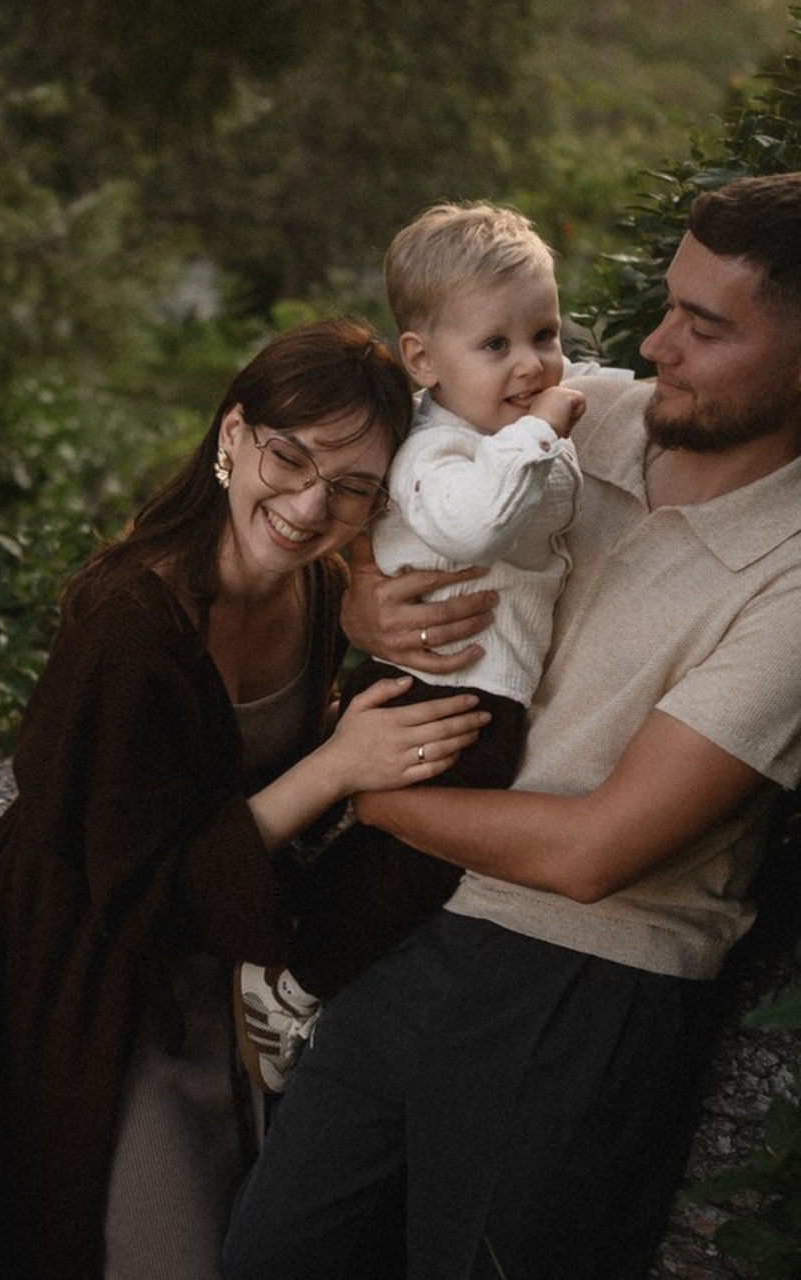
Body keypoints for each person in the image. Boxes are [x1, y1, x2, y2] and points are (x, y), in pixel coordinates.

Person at [223, 170, 801, 1280]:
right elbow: (389, 474)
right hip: (399, 928)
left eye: (701, 324)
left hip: (576, 992)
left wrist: (360, 783)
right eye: (668, 303)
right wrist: (358, 580)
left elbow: (594, 853)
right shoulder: (584, 411)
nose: (653, 339)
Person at [0, 319, 492, 1280]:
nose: (311, 504)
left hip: (223, 950)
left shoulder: (314, 592)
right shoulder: (130, 622)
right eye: (290, 456)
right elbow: (139, 881)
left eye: (353, 488)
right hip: (89, 960)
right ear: (232, 436)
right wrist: (337, 764)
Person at [237, 202, 616, 1090]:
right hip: (445, 688)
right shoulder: (435, 451)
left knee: (407, 855)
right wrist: (542, 426)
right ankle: (292, 981)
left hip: (466, 687)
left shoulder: (498, 427)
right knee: (412, 868)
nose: (531, 363)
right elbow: (480, 524)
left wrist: (543, 412)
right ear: (422, 360)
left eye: (545, 333)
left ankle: (297, 943)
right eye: (496, 346)